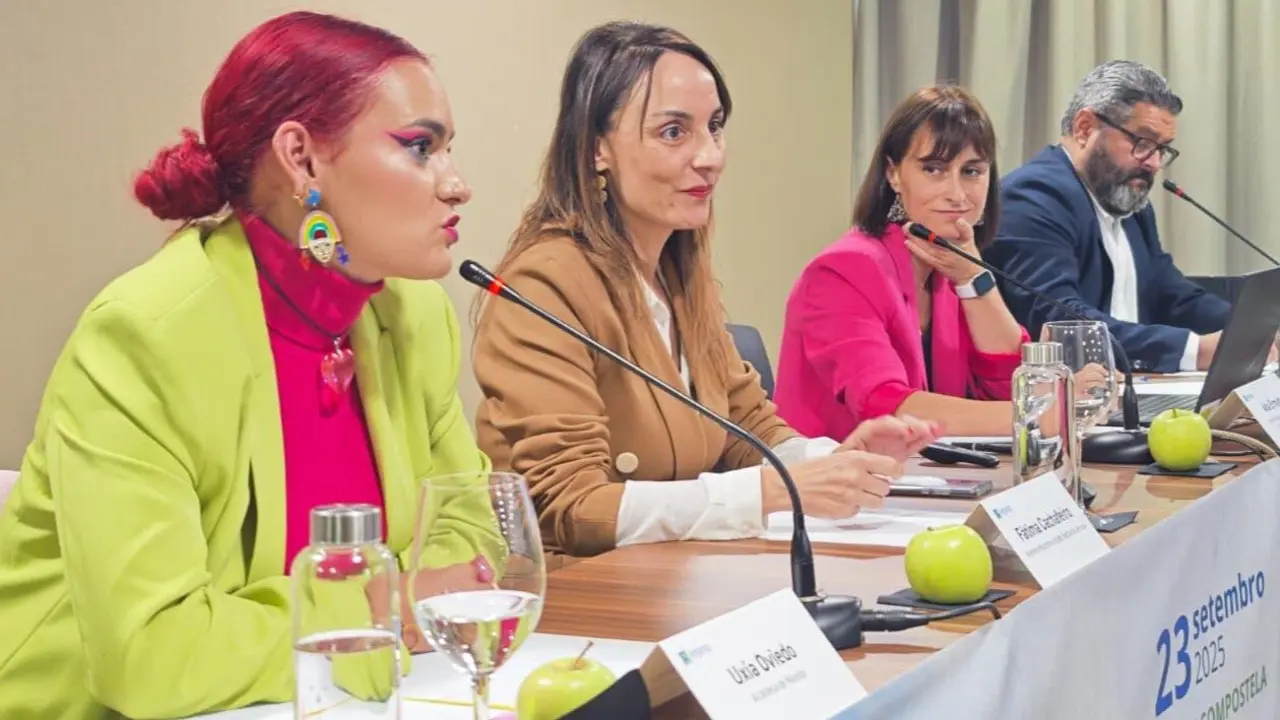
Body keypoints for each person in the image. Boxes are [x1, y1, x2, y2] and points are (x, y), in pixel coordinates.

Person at [0, 12, 500, 718]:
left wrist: (391, 611)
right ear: (301, 159)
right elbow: (152, 656)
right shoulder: (145, 336)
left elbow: (470, 534)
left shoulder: (412, 315)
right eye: (420, 148)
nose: (456, 185)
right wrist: (377, 610)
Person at [471, 21, 938, 565]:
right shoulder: (543, 285)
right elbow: (574, 509)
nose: (711, 156)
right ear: (597, 147)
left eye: (714, 127)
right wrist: (776, 489)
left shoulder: (676, 269)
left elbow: (747, 426)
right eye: (674, 132)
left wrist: (834, 459)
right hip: (579, 600)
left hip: (673, 580)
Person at [774, 85, 1037, 438]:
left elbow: (1010, 386)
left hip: (925, 480)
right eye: (934, 169)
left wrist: (974, 279)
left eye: (972, 171)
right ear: (893, 173)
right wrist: (1034, 415)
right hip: (837, 484)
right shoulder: (841, 272)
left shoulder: (946, 267)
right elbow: (888, 407)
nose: (957, 194)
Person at [987, 60, 1238, 373]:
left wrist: (1249, 331)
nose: (1154, 163)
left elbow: (1174, 296)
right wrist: (1193, 350)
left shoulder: (1130, 205)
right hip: (1062, 403)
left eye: (1163, 149)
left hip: (1133, 389)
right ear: (1085, 128)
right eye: (1144, 143)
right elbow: (1060, 321)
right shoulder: (1033, 197)